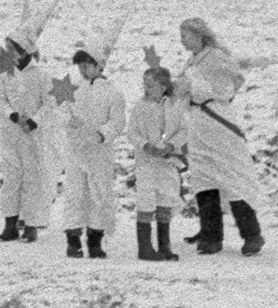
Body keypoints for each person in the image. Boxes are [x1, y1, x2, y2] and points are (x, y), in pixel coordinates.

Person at [176, 18, 264, 255]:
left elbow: (229, 86)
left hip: (217, 122)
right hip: (198, 125)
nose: (182, 41)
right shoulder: (192, 60)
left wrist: (195, 90)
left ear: (198, 36)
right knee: (204, 178)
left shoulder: (216, 57)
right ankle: (211, 235)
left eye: (185, 36)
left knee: (231, 175)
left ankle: (251, 234)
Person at [56, 25, 126, 258]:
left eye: (87, 65)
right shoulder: (75, 89)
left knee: (98, 193)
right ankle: (73, 239)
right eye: (80, 66)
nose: (83, 70)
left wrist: (101, 135)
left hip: (98, 151)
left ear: (99, 66)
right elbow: (62, 111)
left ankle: (95, 240)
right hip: (76, 150)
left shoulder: (113, 92)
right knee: (75, 194)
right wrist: (70, 122)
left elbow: (117, 122)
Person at [0, 1, 58, 242]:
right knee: (11, 178)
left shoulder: (41, 75)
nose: (8, 53)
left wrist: (34, 121)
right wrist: (11, 115)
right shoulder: (5, 74)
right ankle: (10, 223)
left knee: (32, 177)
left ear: (23, 51)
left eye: (12, 49)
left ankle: (31, 223)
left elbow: (49, 103)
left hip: (32, 134)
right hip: (11, 133)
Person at [128, 60, 188, 261]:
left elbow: (183, 131)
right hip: (146, 163)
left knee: (166, 198)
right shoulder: (140, 107)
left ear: (163, 86)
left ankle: (164, 246)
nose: (147, 88)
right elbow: (132, 133)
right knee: (146, 199)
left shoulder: (174, 107)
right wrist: (145, 145)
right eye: (145, 84)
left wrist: (171, 146)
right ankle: (144, 248)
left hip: (167, 161)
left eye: (151, 85)